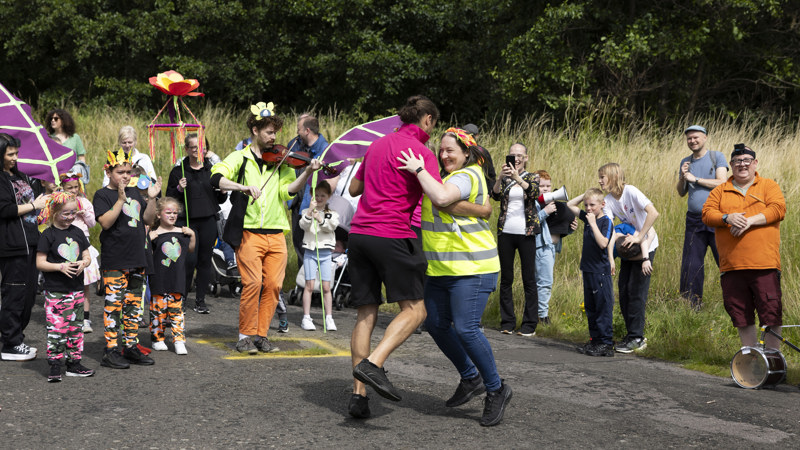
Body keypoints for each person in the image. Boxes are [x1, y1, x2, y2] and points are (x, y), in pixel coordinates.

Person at [397, 127, 511, 427]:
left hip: (472, 268)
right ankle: (471, 377)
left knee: (467, 329)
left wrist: (419, 170)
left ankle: (496, 388)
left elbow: (442, 197)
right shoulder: (448, 177)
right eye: (442, 150)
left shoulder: (468, 174)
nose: (445, 155)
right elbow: (446, 201)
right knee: (435, 324)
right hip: (444, 269)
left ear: (467, 152)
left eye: (451, 150)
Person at [346, 95, 441, 418]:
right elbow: (439, 197)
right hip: (393, 233)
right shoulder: (423, 153)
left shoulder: (376, 145)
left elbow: (355, 189)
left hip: (359, 234)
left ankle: (359, 398)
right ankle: (374, 364)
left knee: (365, 314)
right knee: (415, 310)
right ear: (427, 119)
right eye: (434, 123)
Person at [210, 102, 321, 354]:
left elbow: (287, 191)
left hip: (276, 233)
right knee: (251, 284)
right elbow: (217, 176)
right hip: (249, 232)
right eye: (269, 132)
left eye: (274, 133)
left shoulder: (281, 161)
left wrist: (306, 173)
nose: (274, 137)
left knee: (273, 286)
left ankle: (261, 335)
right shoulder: (240, 157)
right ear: (255, 130)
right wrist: (243, 188)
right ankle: (244, 336)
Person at [701, 144, 786, 351]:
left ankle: (773, 361)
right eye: (738, 161)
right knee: (740, 314)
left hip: (764, 264)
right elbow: (707, 214)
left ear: (755, 163)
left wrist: (749, 221)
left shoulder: (768, 186)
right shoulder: (720, 191)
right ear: (730, 165)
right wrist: (726, 217)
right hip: (732, 267)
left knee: (771, 313)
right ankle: (750, 361)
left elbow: (778, 209)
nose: (742, 164)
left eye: (747, 160)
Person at [94, 148, 161, 369]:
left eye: (129, 172)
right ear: (109, 172)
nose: (125, 176)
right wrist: (120, 200)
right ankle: (111, 350)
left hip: (138, 257)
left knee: (133, 306)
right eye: (120, 171)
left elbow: (148, 220)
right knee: (114, 306)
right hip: (116, 260)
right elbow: (105, 222)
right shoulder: (102, 195)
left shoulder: (134, 193)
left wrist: (151, 200)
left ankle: (130, 346)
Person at [599, 163, 659, 353]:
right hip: (629, 248)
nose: (600, 181)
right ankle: (631, 334)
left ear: (614, 176)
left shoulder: (630, 191)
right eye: (599, 177)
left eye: (603, 177)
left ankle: (637, 338)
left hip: (646, 244)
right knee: (624, 292)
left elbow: (653, 213)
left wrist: (640, 237)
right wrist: (610, 258)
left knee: (636, 293)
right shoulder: (608, 200)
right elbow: (610, 229)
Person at [35, 191, 95, 381]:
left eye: (73, 213)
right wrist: (60, 266)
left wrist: (84, 263)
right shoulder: (48, 235)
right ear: (54, 212)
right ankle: (54, 364)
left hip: (76, 289)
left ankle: (74, 364)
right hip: (55, 291)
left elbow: (87, 254)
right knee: (57, 329)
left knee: (75, 329)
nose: (70, 217)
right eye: (65, 213)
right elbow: (40, 263)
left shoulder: (77, 232)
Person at [0, 133, 49, 361]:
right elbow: (6, 210)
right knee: (15, 293)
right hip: (12, 245)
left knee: (29, 295)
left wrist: (48, 197)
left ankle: (14, 337)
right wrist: (32, 205)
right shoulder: (0, 179)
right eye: (10, 154)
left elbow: (35, 203)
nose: (15, 157)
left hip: (30, 241)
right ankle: (11, 342)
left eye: (16, 153)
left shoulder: (20, 176)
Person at [166, 133, 226, 314]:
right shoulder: (179, 171)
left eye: (200, 147)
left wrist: (222, 192)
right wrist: (178, 188)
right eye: (193, 147)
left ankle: (200, 300)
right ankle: (182, 298)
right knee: (188, 261)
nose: (197, 151)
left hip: (208, 219)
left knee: (204, 260)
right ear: (186, 149)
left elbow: (219, 200)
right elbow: (169, 198)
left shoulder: (212, 170)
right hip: (187, 220)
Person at [676, 125, 728, 309]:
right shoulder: (686, 161)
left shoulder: (716, 157)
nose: (692, 141)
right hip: (694, 220)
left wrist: (695, 179)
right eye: (689, 138)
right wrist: (683, 177)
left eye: (696, 137)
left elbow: (722, 183)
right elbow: (681, 192)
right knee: (692, 264)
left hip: (716, 218)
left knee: (724, 261)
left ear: (705, 138)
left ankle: (734, 302)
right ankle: (692, 306)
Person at [491, 143, 541, 336]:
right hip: (506, 232)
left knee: (528, 278)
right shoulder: (505, 178)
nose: (516, 158)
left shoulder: (531, 177)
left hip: (526, 233)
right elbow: (494, 195)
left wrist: (517, 178)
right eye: (513, 155)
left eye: (520, 155)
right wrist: (501, 177)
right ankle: (507, 322)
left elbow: (534, 193)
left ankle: (529, 324)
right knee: (506, 278)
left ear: (526, 158)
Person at [565, 189, 614, 357]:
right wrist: (585, 195)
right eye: (586, 205)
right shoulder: (587, 216)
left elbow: (603, 243)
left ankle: (606, 343)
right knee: (591, 307)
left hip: (600, 272)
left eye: (592, 205)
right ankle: (595, 340)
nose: (589, 208)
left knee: (602, 307)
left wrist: (593, 223)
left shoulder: (605, 221)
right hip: (588, 269)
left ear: (602, 204)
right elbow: (570, 205)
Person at [149, 197, 196, 355]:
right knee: (158, 312)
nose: (172, 215)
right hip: (159, 279)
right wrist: (148, 240)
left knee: (177, 312)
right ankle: (158, 338)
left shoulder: (182, 232)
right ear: (158, 215)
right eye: (168, 212)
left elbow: (190, 249)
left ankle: (179, 340)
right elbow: (146, 253)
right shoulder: (155, 234)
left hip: (177, 279)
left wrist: (193, 235)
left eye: (175, 213)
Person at [59, 172, 101, 333]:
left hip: (83, 245)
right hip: (65, 246)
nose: (74, 190)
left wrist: (85, 214)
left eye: (76, 187)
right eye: (69, 188)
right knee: (65, 284)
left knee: (84, 286)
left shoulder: (84, 202)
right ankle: (66, 317)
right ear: (62, 188)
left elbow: (92, 224)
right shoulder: (59, 202)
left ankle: (85, 318)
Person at [299, 180, 339, 331]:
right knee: (309, 285)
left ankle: (329, 317)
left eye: (323, 195)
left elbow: (331, 227)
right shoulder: (306, 212)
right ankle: (306, 317)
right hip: (310, 252)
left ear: (328, 196)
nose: (319, 198)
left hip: (325, 253)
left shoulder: (332, 214)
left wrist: (320, 219)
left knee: (326, 286)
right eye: (316, 195)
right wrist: (310, 212)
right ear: (311, 195)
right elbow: (303, 225)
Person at [290, 115, 328, 265]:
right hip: (296, 202)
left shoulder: (325, 150)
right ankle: (302, 283)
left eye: (298, 129)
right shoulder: (296, 144)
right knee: (298, 243)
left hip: (312, 204)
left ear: (307, 130)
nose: (296, 133)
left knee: (311, 247)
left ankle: (312, 284)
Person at [533, 170, 557, 325]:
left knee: (543, 281)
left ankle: (538, 313)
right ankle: (542, 316)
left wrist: (569, 228)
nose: (546, 189)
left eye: (548, 185)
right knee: (544, 282)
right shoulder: (534, 204)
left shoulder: (548, 203)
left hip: (549, 246)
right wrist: (544, 212)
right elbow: (530, 222)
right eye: (542, 186)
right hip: (540, 246)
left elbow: (555, 227)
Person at [462, 123, 497, 189]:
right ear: (477, 135)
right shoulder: (483, 151)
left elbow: (490, 174)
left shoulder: (459, 151)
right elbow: (491, 175)